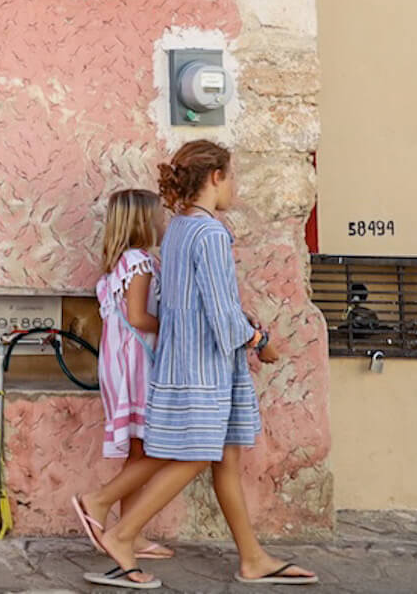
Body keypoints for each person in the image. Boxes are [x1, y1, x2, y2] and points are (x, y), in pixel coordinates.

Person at [83, 141, 317, 589]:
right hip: (204, 367)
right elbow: (218, 311)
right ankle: (121, 532)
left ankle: (252, 558)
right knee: (200, 455)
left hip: (188, 360)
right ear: (215, 177)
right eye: (233, 176)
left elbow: (187, 302)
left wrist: (240, 322)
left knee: (224, 458)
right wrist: (259, 340)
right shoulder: (210, 233)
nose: (236, 186)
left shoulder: (178, 229)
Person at [70, 189, 175, 563]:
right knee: (156, 448)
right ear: (144, 220)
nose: (164, 222)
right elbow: (138, 317)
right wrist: (177, 328)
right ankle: (98, 504)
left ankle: (131, 531)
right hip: (136, 365)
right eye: (159, 216)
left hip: (121, 363)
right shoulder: (140, 262)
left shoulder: (122, 263)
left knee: (138, 448)